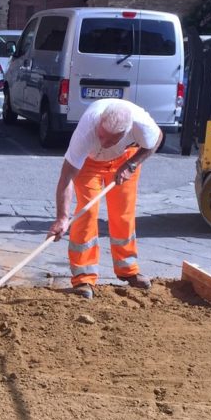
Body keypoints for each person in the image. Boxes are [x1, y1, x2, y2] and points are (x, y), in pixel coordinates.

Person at [48, 99, 162, 300]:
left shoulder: (141, 124)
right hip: (89, 163)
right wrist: (61, 218)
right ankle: (83, 278)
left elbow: (156, 140)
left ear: (125, 132)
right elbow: (66, 177)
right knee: (87, 211)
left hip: (125, 158)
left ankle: (128, 270)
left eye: (111, 140)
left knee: (123, 212)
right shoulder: (86, 129)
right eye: (101, 136)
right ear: (99, 122)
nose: (103, 143)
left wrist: (132, 164)